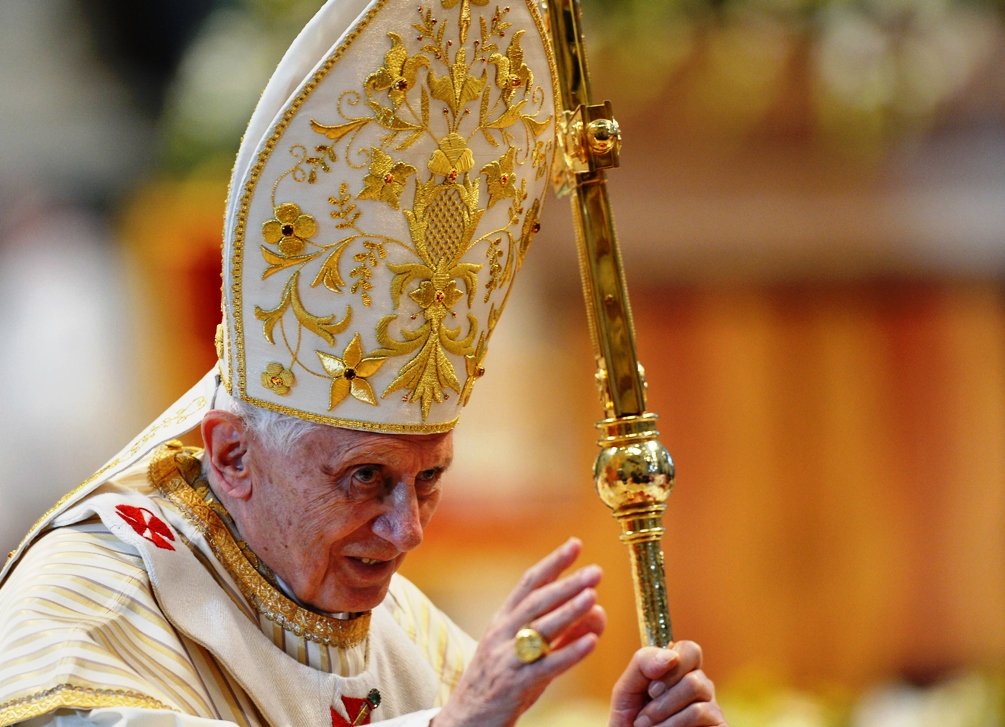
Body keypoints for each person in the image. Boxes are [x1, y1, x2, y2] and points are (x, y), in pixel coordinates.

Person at [0, 1, 727, 725]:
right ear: (230, 454)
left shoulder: (397, 622)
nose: (406, 530)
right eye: (365, 478)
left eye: (429, 478)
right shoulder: (88, 603)